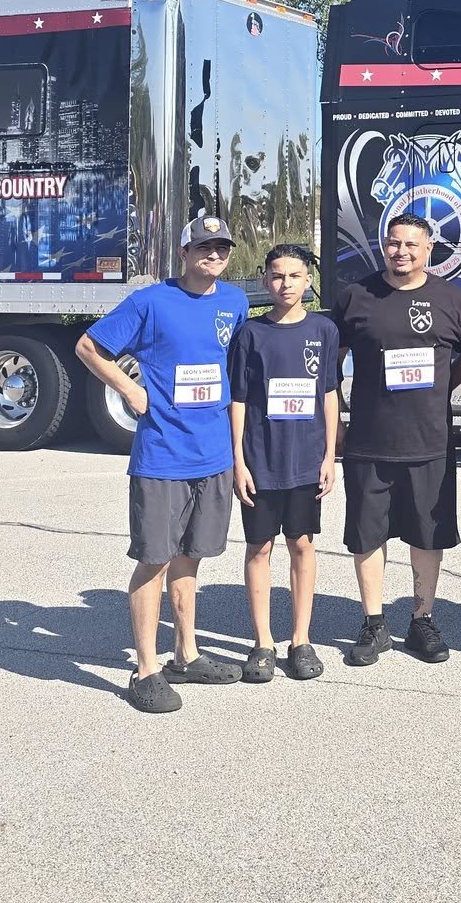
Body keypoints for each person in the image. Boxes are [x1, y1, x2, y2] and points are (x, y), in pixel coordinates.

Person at [76, 214, 249, 713]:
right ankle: (146, 669)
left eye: (221, 248)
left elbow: (232, 364)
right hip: (163, 457)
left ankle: (186, 654)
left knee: (191, 557)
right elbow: (89, 346)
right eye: (203, 247)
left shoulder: (234, 302)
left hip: (212, 454)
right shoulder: (151, 301)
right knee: (154, 559)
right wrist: (129, 388)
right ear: (185, 252)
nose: (213, 255)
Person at [333, 212, 461, 667]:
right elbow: (329, 367)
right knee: (366, 537)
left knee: (427, 536)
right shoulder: (356, 297)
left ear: (429, 249)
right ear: (384, 246)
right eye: (394, 243)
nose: (401, 252)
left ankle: (422, 619)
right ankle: (374, 624)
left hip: (429, 441)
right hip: (368, 443)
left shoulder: (453, 300)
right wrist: (335, 423)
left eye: (412, 245)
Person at [229, 244, 340, 684]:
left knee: (302, 545)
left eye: (295, 276)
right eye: (277, 276)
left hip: (306, 461)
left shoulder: (324, 330)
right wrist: (238, 460)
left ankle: (300, 639)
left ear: (308, 280)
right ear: (264, 279)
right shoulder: (251, 334)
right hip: (260, 461)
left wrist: (331, 455)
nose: (285, 284)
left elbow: (329, 394)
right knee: (259, 548)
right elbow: (237, 399)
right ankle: (262, 643)